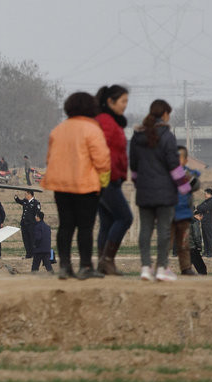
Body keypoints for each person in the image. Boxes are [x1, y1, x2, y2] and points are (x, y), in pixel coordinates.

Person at [41, 92, 111, 280]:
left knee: (65, 226)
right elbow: (103, 161)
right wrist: (103, 184)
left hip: (61, 186)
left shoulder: (58, 130)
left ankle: (65, 266)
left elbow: (49, 159)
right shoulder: (92, 129)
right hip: (85, 186)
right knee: (85, 227)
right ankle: (85, 266)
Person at [130, 100, 191, 282]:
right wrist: (184, 187)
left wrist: (138, 184)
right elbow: (173, 165)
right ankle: (162, 269)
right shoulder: (167, 136)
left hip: (144, 191)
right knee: (164, 231)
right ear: (164, 114)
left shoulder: (137, 136)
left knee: (145, 230)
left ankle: (145, 268)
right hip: (165, 193)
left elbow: (133, 166)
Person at [94, 85, 133, 276]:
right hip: (106, 178)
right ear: (110, 101)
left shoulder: (110, 121)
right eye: (123, 101)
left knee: (107, 222)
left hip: (109, 177)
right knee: (125, 217)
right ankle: (107, 260)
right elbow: (101, 150)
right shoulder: (105, 122)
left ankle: (103, 264)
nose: (125, 105)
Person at [171, 146, 201, 276]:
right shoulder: (167, 174)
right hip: (170, 213)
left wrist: (190, 178)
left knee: (184, 242)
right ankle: (161, 267)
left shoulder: (187, 174)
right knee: (166, 242)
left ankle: (186, 268)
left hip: (183, 214)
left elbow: (196, 185)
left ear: (185, 160)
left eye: (180, 158)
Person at [14, 190, 40, 258]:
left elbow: (37, 213)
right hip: (24, 224)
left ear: (30, 194)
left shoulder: (36, 203)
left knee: (32, 239)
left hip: (31, 224)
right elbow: (19, 201)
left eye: (26, 194)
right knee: (26, 239)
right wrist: (16, 196)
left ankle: (34, 254)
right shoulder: (25, 201)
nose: (25, 195)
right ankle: (28, 254)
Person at [196, 189, 212, 257]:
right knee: (205, 238)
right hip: (204, 222)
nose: (205, 195)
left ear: (210, 194)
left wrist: (201, 208)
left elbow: (202, 208)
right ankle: (206, 251)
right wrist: (200, 208)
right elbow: (199, 207)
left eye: (206, 194)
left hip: (209, 222)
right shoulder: (206, 201)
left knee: (209, 237)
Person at [190, 210, 208, 275]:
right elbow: (197, 236)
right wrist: (199, 246)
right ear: (199, 215)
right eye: (201, 217)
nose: (201, 219)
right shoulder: (195, 222)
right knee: (202, 268)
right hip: (193, 247)